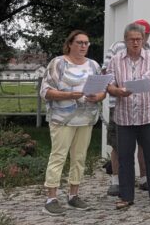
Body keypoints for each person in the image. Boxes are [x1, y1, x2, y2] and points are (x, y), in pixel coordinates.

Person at [105, 23, 150, 209]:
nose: (135, 43)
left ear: (143, 40)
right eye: (131, 39)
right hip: (124, 116)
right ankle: (126, 195)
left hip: (147, 114)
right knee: (125, 157)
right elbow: (108, 85)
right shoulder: (116, 60)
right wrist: (117, 91)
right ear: (125, 41)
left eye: (138, 39)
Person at [39, 30, 106, 215]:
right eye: (80, 42)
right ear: (70, 44)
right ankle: (51, 197)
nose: (83, 46)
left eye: (86, 43)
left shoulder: (93, 65)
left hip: (86, 118)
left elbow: (103, 91)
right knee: (58, 156)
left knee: (79, 157)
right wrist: (69, 95)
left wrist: (97, 96)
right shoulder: (58, 63)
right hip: (62, 119)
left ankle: (73, 195)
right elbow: (45, 91)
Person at [102, 18, 150, 196]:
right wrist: (118, 89)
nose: (141, 39)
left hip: (144, 105)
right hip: (120, 105)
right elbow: (105, 72)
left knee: (145, 145)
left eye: (144, 36)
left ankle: (144, 178)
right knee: (118, 145)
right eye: (136, 36)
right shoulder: (117, 48)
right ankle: (116, 181)